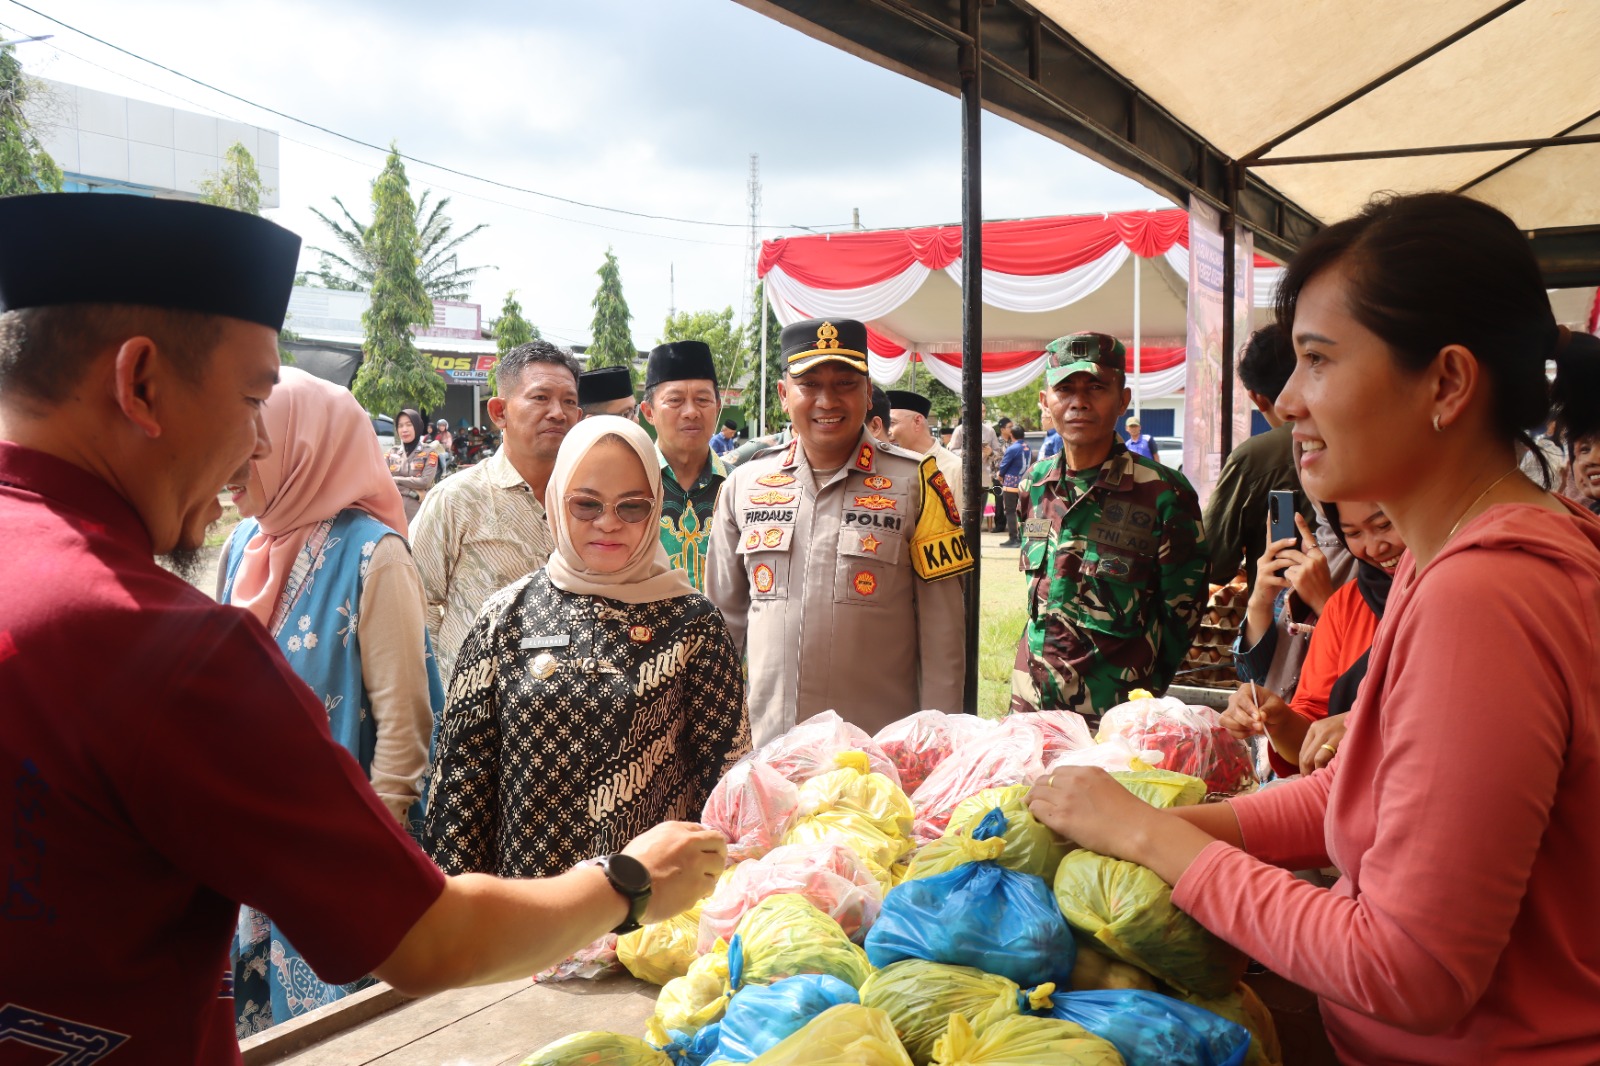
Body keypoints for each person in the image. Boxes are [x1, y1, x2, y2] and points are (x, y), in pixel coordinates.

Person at [0, 194, 724, 1060]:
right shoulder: (160, 647)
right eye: (252, 398)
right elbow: (429, 937)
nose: (256, 449)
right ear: (141, 383)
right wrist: (630, 882)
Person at [1028, 192, 1600, 1064]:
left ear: (1446, 382)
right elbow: (1371, 793)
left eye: (1318, 360)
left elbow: (1411, 969)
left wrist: (1153, 838)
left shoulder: (1486, 595)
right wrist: (1168, 823)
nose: (1287, 400)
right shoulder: (1446, 554)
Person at [218, 367, 445, 1033]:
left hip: (345, 867)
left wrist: (358, 865)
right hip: (254, 857)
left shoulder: (374, 558)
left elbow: (405, 734)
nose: (232, 465)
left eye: (254, 448)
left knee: (342, 1040)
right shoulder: (243, 546)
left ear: (302, 449)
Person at [426, 416, 750, 878]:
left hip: (651, 925)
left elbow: (727, 783)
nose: (608, 524)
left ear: (655, 506)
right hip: (527, 918)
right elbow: (462, 782)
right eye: (586, 505)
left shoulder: (692, 624)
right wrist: (458, 918)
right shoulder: (505, 617)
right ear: (558, 502)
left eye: (632, 507)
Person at [706, 318, 972, 744]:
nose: (827, 400)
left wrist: (935, 748)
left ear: (867, 393)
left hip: (875, 758)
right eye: (809, 384)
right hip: (767, 750)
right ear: (783, 394)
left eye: (845, 383)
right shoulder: (744, 484)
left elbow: (944, 641)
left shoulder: (919, 483)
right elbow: (722, 625)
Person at [1010, 332, 1207, 728]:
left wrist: (1143, 693)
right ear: (1045, 400)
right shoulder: (1034, 483)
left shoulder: (1163, 493)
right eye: (1064, 389)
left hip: (1114, 717)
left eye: (1096, 387)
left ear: (1122, 400)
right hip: (1030, 707)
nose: (1079, 402)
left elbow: (1182, 612)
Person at [412, 340, 580, 685]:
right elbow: (417, 605)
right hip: (472, 714)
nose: (558, 413)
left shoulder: (592, 503)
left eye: (569, 402)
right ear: (499, 412)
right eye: (540, 397)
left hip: (568, 713)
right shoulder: (456, 498)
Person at [1221, 502, 1400, 778]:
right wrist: (1276, 717)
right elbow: (1311, 728)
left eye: (1384, 525)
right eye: (1352, 533)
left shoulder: (1459, 588)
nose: (1374, 548)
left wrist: (1361, 724)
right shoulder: (1346, 603)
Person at [1202, 323, 1315, 589]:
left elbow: (1213, 561)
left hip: (1284, 615)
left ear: (1256, 398)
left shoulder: (1254, 458)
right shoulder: (1359, 437)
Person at [640, 340, 728, 590]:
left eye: (702, 400)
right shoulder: (631, 485)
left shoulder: (740, 487)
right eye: (675, 400)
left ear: (717, 408)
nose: (691, 412)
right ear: (648, 412)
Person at [886, 388, 963, 518]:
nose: (887, 431)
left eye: (892, 423)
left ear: (917, 421)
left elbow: (962, 524)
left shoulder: (954, 467)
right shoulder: (888, 464)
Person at [386, 408, 441, 522]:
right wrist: (412, 493)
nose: (404, 429)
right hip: (393, 511)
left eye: (409, 425)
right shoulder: (392, 453)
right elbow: (382, 481)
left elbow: (424, 481)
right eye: (400, 426)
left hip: (418, 513)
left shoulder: (429, 452)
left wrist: (394, 480)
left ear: (417, 426)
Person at [996, 422, 1029, 548]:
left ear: (1012, 435)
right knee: (1022, 511)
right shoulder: (1027, 447)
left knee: (1010, 511)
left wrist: (1000, 475)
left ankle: (1013, 538)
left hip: (1011, 483)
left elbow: (1004, 465)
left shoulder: (1013, 448)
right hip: (1024, 481)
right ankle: (1022, 537)